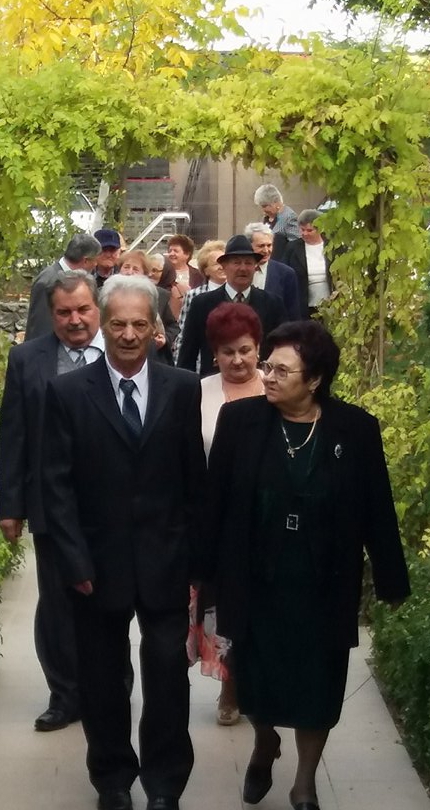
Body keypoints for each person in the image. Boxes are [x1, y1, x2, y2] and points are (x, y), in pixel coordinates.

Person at [207, 320, 410, 810]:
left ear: (315, 379)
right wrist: (201, 574)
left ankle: (304, 783)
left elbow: (377, 508)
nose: (267, 376)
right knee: (253, 680)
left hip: (324, 583)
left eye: (282, 370)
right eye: (268, 365)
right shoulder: (240, 422)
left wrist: (391, 581)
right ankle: (265, 741)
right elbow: (214, 503)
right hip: (256, 578)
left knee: (318, 687)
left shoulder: (355, 429)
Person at [41, 275, 207, 810]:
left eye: (139, 323)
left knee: (167, 677)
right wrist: (73, 561)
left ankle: (165, 784)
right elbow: (56, 486)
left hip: (166, 560)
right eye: (118, 324)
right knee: (103, 681)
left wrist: (197, 560)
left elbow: (194, 479)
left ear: (155, 326)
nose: (129, 335)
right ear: (102, 326)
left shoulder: (182, 388)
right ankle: (112, 779)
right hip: (96, 564)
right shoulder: (67, 392)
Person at [0, 271, 104, 732]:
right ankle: (65, 695)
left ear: (97, 308)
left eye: (83, 310)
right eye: (64, 312)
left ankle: (110, 686)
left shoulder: (125, 351)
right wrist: (10, 505)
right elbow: (13, 433)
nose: (74, 320)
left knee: (110, 599)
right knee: (58, 603)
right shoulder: (27, 359)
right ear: (50, 314)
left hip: (111, 503)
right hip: (50, 502)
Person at [188, 302, 265, 727]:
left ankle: (259, 683)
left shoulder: (276, 388)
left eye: (245, 350)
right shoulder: (198, 392)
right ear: (214, 354)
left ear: (259, 349)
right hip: (214, 517)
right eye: (227, 352)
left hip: (266, 518)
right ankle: (229, 686)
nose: (237, 360)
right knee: (223, 604)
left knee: (262, 605)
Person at [176, 234, 286, 377]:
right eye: (236, 262)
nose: (243, 268)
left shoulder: (272, 303)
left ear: (255, 267)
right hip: (213, 383)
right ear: (224, 266)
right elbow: (187, 355)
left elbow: (281, 349)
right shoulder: (202, 304)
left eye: (248, 263)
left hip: (259, 383)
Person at [25, 232, 101, 340]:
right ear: (85, 261)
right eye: (95, 260)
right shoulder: (47, 282)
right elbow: (40, 329)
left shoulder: (71, 278)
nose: (96, 265)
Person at [172, 239, 226, 364]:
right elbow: (183, 333)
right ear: (205, 270)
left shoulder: (237, 294)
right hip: (200, 363)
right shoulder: (194, 295)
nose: (222, 266)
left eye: (225, 262)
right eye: (217, 263)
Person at [119, 249, 179, 353]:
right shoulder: (106, 294)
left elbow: (173, 327)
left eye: (136, 269)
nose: (129, 272)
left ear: (145, 274)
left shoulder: (158, 295)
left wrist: (164, 339)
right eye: (126, 267)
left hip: (151, 353)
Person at [244, 222, 300, 320]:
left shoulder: (286, 274)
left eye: (269, 245)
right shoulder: (238, 271)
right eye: (261, 246)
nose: (266, 251)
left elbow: (293, 314)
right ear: (249, 246)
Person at [282, 209, 332, 318]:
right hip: (303, 305)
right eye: (302, 230)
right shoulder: (292, 248)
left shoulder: (332, 246)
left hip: (332, 304)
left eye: (309, 230)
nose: (305, 234)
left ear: (320, 229)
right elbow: (284, 274)